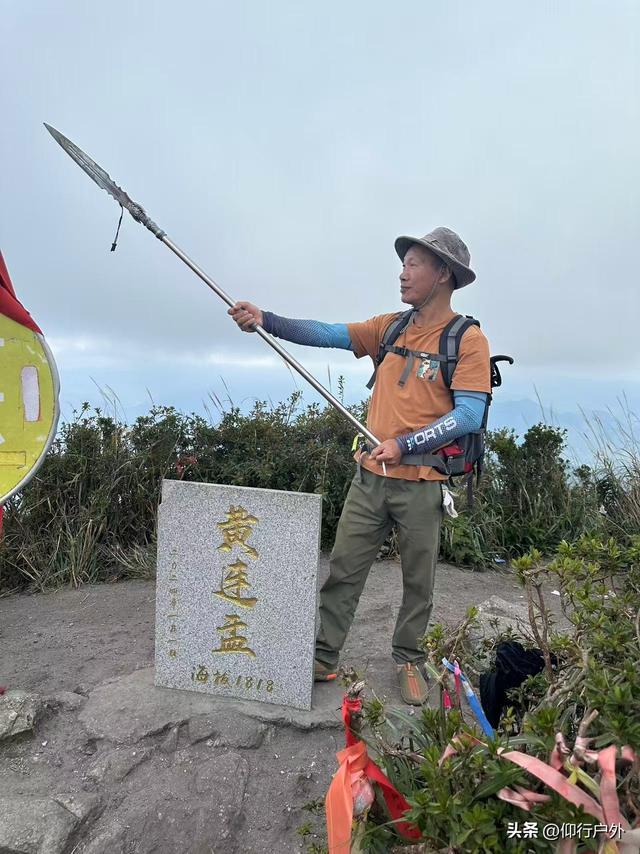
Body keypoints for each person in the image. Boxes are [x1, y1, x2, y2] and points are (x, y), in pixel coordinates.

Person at [228, 227, 490, 704]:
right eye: (405, 263)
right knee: (344, 568)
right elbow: (327, 333)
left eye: (415, 264)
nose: (403, 272)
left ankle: (409, 658)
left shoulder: (467, 340)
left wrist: (406, 444)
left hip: (423, 484)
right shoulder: (391, 327)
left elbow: (469, 414)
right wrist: (266, 319)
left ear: (444, 274)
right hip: (370, 478)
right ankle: (323, 658)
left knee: (419, 581)